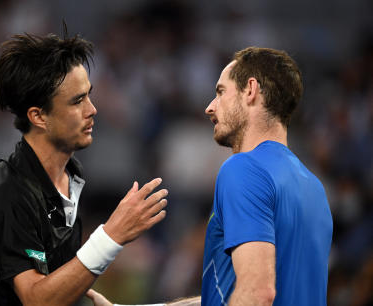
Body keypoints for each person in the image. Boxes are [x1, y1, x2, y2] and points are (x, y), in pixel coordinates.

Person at [87, 47, 333, 306]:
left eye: (220, 92)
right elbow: (235, 295)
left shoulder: (243, 168)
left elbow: (257, 294)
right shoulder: (314, 188)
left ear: (250, 90)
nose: (209, 107)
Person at [0, 30, 168, 306]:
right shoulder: (6, 192)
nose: (92, 109)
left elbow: (57, 282)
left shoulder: (72, 175)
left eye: (89, 96)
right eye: (77, 101)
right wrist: (111, 235)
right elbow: (38, 299)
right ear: (39, 116)